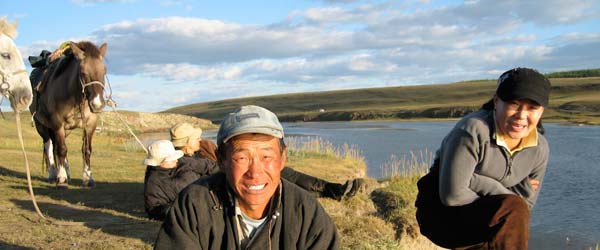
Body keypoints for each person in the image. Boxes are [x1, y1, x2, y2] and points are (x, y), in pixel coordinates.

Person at [155, 105, 339, 249]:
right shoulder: (194, 205)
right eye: (241, 158)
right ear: (221, 161)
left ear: (282, 159)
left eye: (266, 156)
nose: (255, 172)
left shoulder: (306, 211)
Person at [415, 67, 551, 249]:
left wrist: (472, 179)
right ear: (496, 101)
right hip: (441, 215)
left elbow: (526, 206)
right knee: (512, 208)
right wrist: (503, 190)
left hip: (486, 217)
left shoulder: (539, 148)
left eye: (532, 108)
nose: (521, 116)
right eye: (514, 103)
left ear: (541, 111)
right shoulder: (472, 130)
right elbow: (453, 195)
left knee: (514, 214)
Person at [171, 122, 366, 201]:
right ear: (187, 142)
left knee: (288, 173)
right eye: (194, 138)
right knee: (285, 180)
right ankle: (333, 191)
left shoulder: (201, 150)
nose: (199, 138)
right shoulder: (184, 162)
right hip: (235, 185)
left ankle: (334, 190)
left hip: (236, 177)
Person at [143, 139, 216, 220]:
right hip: (194, 210)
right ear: (161, 162)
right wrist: (184, 209)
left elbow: (209, 166)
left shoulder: (183, 161)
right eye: (171, 159)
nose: (176, 160)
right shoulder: (154, 181)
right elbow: (155, 209)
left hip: (211, 197)